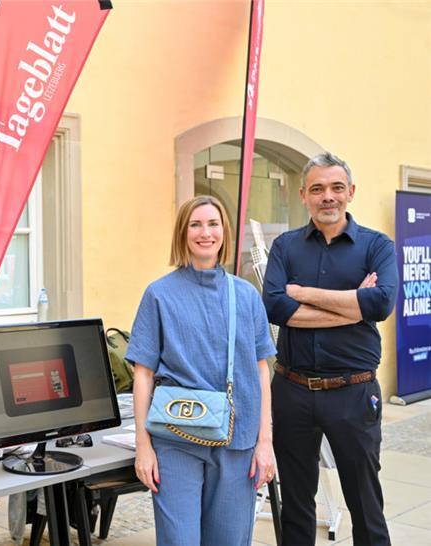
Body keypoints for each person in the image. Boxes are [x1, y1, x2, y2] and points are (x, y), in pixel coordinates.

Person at [262, 152, 397, 545]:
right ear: (303, 195)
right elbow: (274, 306)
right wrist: (353, 303)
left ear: (350, 193)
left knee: (365, 505)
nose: (328, 197)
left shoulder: (377, 246)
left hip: (353, 393)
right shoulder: (286, 248)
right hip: (292, 392)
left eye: (337, 188)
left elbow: (381, 304)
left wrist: (303, 294)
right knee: (296, 505)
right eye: (317, 189)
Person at [127, 195, 277, 545]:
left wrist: (265, 442)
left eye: (212, 224)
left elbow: (261, 372)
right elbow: (143, 374)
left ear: (224, 232)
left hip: (236, 442)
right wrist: (143, 445)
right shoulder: (159, 295)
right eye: (195, 224)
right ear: (183, 232)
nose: (204, 232)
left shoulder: (246, 296)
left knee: (229, 540)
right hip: (176, 441)